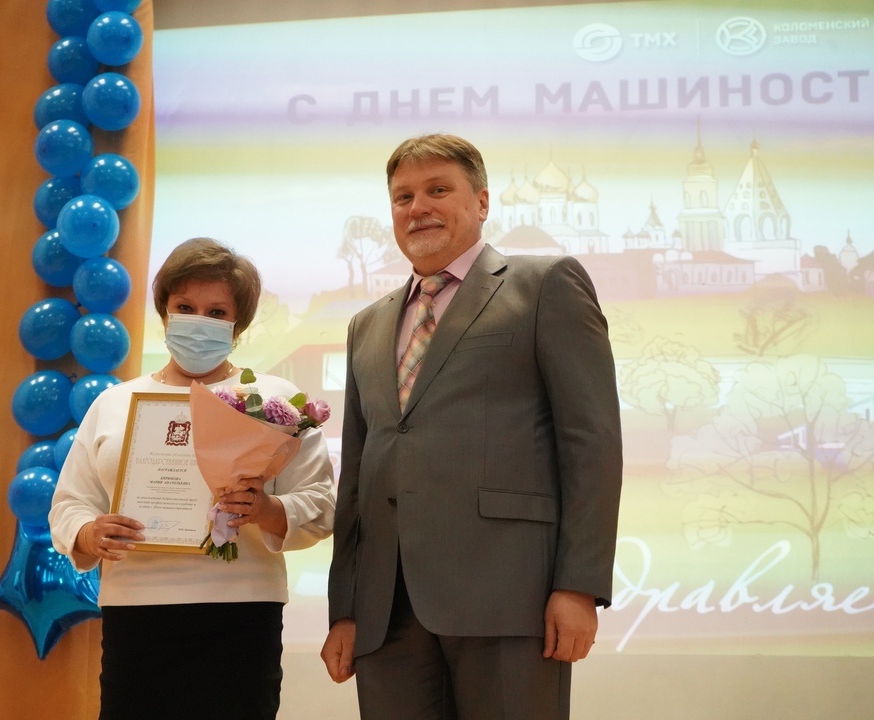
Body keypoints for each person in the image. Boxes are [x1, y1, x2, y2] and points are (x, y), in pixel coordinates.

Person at [321, 134, 623, 720]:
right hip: (386, 611)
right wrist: (347, 608)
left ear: (482, 201)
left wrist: (579, 585)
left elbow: (591, 442)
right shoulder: (366, 325)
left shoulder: (545, 284)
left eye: (438, 190)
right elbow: (357, 476)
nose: (418, 207)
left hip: (511, 598)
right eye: (403, 197)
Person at [50, 237, 335, 720]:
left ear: (237, 326)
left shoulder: (275, 403)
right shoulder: (115, 402)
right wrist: (88, 531)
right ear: (164, 312)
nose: (199, 322)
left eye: (216, 312)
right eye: (185, 307)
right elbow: (70, 502)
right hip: (136, 614)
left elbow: (322, 503)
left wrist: (265, 509)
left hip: (242, 615)